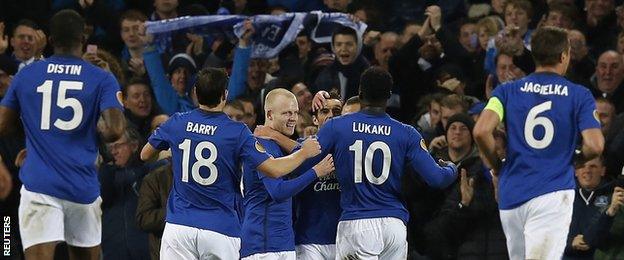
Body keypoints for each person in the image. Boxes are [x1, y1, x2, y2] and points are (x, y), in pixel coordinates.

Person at [139, 68, 322, 259]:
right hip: (220, 229)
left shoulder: (176, 122)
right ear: (225, 95)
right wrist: (303, 153)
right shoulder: (237, 132)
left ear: (195, 92)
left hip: (179, 226)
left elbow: (145, 155)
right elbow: (274, 170)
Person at [0, 9, 126, 260]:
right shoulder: (102, 78)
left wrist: (39, 143)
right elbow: (114, 131)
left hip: (40, 185)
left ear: (48, 39)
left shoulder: (26, 74)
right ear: (84, 36)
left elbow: (3, 125)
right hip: (82, 186)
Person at [474, 26, 605, 260]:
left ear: (534, 55)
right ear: (564, 56)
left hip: (512, 193)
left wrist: (496, 166)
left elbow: (482, 130)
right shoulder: (579, 95)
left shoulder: (506, 91)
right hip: (551, 193)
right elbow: (595, 145)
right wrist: (575, 159)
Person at [309, 67, 458, 259]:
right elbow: (437, 179)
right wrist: (451, 167)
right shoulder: (407, 133)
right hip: (393, 226)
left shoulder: (336, 126)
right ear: (389, 95)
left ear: (360, 92)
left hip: (357, 225)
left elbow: (303, 159)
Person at [240, 88, 334, 259]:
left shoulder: (280, 146)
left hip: (282, 242)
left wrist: (320, 95)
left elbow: (307, 152)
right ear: (269, 115)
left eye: (296, 112)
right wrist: (315, 172)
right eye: (286, 113)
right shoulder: (261, 145)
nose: (293, 118)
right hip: (262, 244)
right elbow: (278, 192)